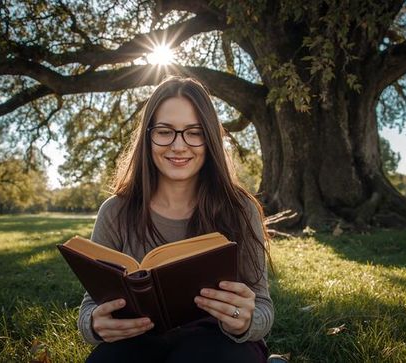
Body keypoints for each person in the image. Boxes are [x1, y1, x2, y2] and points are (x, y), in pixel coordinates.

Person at [77, 76, 274, 362]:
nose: (179, 146)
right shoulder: (115, 211)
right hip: (137, 340)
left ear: (210, 139)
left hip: (216, 341)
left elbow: (263, 307)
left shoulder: (240, 208)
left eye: (194, 132)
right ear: (148, 136)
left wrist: (245, 320)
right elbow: (89, 306)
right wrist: (94, 323)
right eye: (165, 131)